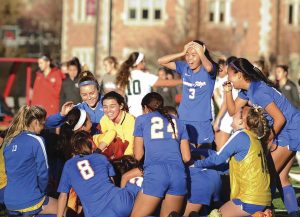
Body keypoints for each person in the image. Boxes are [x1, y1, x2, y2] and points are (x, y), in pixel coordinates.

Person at [224, 58, 300, 215]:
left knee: (266, 178)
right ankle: (293, 213)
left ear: (239, 75)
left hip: (290, 130)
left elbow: (280, 119)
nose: (228, 78)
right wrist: (227, 92)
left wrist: (268, 140)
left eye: (230, 75)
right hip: (286, 129)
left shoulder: (258, 91)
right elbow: (233, 112)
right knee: (281, 178)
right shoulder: (247, 90)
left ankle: (264, 213)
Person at [195, 106, 271, 216]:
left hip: (249, 198)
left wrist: (195, 164)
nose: (232, 114)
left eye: (237, 112)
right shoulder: (255, 138)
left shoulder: (241, 135)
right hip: (263, 197)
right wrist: (197, 151)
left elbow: (217, 159)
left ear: (241, 120)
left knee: (215, 215)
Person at [130, 92, 191, 217]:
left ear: (145, 108)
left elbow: (138, 155)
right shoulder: (179, 122)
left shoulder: (141, 119)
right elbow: (186, 157)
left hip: (156, 173)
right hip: (178, 174)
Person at [57, 131, 139, 217]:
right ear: (91, 143)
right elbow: (112, 182)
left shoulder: (69, 165)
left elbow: (63, 195)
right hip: (120, 201)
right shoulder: (101, 157)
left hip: (97, 213)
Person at [158, 40, 217, 147]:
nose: (189, 58)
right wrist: (182, 52)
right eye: (187, 55)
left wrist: (201, 53)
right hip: (183, 118)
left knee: (204, 155)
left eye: (194, 55)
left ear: (201, 53)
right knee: (186, 155)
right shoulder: (184, 67)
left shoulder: (209, 69)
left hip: (202, 120)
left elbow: (209, 68)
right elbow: (161, 61)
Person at [3, 105, 57, 215]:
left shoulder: (9, 141)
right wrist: (42, 191)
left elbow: (7, 171)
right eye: (43, 123)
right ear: (36, 122)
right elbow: (43, 172)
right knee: (63, 209)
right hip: (30, 200)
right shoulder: (37, 140)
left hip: (9, 200)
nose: (44, 127)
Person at [116, 52, 182, 117]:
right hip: (144, 112)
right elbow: (166, 83)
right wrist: (184, 81)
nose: (144, 63)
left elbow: (120, 95)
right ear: (138, 63)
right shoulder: (144, 76)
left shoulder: (124, 77)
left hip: (130, 113)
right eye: (143, 61)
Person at [46, 71, 104, 135]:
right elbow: (48, 123)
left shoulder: (108, 103)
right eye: (84, 95)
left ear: (98, 89)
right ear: (80, 94)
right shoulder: (80, 109)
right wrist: (62, 114)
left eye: (92, 93)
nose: (89, 97)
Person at [93, 91, 135, 159]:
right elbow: (103, 140)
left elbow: (130, 149)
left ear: (121, 106)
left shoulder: (130, 120)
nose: (108, 110)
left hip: (126, 160)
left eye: (112, 106)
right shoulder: (104, 119)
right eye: (105, 107)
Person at [213, 56, 238, 150]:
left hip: (227, 117)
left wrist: (218, 119)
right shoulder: (233, 79)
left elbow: (226, 103)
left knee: (220, 150)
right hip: (234, 116)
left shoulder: (229, 81)